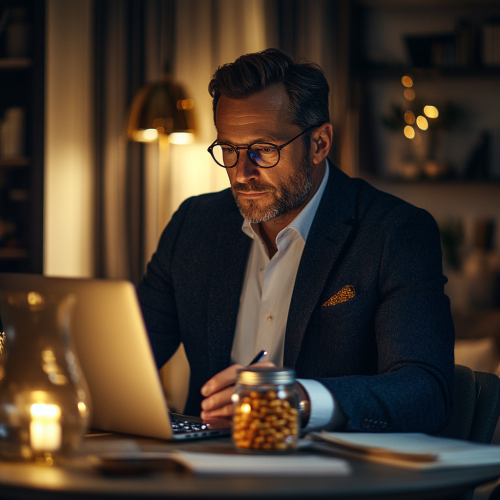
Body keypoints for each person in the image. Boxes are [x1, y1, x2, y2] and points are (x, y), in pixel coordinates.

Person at [137, 48, 455, 433]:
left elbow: (425, 392)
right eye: (229, 150)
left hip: (334, 479)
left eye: (264, 150)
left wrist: (301, 400)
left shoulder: (395, 232)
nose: (241, 174)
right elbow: (129, 360)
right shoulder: (195, 224)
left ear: (319, 143)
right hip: (202, 471)